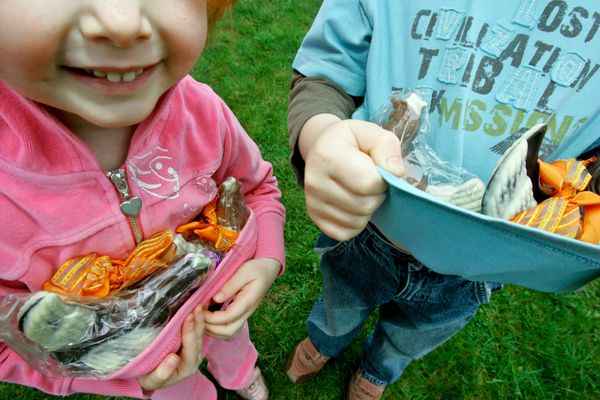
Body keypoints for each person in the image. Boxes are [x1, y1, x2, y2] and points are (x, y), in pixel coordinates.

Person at [286, 1, 599, 399]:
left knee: (415, 332)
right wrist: (320, 132)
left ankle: (378, 370)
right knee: (340, 303)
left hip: (480, 261)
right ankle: (325, 342)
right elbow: (329, 67)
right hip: (372, 224)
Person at [0, 1, 285, 400]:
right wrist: (127, 381)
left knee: (233, 343)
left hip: (222, 300)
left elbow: (257, 187)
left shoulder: (201, 111)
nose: (122, 24)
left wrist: (268, 257)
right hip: (147, 364)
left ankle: (239, 375)